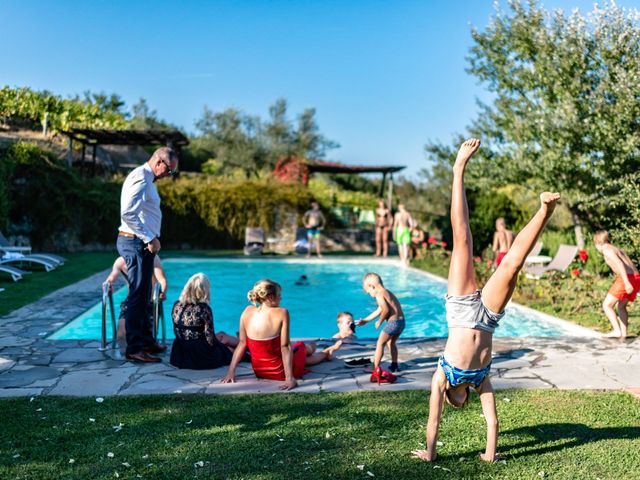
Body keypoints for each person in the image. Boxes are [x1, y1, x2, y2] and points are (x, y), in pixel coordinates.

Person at [410, 139, 560, 463]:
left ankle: (458, 169)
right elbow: (492, 421)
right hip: (488, 318)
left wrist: (430, 453)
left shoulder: (441, 379)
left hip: (462, 310)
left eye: (457, 403)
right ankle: (545, 209)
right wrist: (490, 454)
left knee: (462, 239)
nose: (458, 404)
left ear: (454, 399)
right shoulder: (481, 381)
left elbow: (433, 420)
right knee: (512, 264)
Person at [221, 279, 342, 390]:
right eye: (279, 295)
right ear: (270, 297)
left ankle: (319, 350)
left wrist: (230, 372)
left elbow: (242, 344)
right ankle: (325, 353)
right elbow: (285, 347)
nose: (281, 298)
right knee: (302, 348)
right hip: (280, 371)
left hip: (260, 371)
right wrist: (289, 378)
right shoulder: (282, 312)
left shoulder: (247, 311)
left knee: (299, 350)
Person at [117, 146, 178, 363]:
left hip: (141, 243)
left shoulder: (147, 179)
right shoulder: (141, 178)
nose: (168, 175)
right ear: (159, 162)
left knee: (143, 295)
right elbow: (128, 213)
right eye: (169, 170)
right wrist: (150, 238)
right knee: (137, 296)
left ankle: (146, 340)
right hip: (135, 242)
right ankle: (134, 348)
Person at [169, 273, 236, 370]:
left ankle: (245, 345)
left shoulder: (177, 305)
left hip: (179, 354)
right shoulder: (204, 309)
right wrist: (223, 346)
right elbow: (211, 340)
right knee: (229, 348)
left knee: (222, 335)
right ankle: (247, 347)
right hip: (199, 356)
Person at [103, 255, 168, 342]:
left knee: (146, 337)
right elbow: (112, 276)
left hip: (150, 302)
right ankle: (124, 354)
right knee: (121, 333)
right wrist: (108, 283)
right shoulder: (120, 261)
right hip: (131, 301)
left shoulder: (152, 257)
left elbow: (162, 279)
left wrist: (162, 292)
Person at [357, 272, 406, 380]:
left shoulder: (379, 294)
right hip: (401, 322)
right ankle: (394, 365)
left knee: (380, 343)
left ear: (372, 286)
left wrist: (380, 321)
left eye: (368, 292)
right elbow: (379, 309)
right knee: (391, 342)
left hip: (393, 323)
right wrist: (366, 320)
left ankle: (375, 368)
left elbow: (385, 310)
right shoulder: (387, 292)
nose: (370, 294)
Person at [594, 230, 640, 340]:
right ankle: (623, 334)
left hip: (626, 278)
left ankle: (616, 330)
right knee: (621, 306)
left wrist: (627, 282)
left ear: (598, 241)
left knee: (607, 305)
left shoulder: (606, 249)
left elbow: (620, 264)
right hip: (636, 276)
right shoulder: (616, 248)